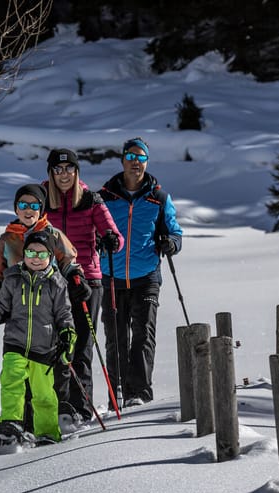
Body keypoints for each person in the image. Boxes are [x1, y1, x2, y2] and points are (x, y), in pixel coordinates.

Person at [0, 230, 76, 445]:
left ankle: (47, 432)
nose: (36, 258)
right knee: (11, 383)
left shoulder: (57, 283)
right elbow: (1, 310)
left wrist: (67, 335)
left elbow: (64, 314)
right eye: (31, 252)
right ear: (24, 253)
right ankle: (11, 425)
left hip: (44, 348)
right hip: (15, 343)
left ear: (51, 256)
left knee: (43, 394)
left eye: (42, 254)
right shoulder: (13, 277)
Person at [97, 137, 184, 408]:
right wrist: (100, 241)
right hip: (111, 276)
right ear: (122, 160)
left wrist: (170, 243)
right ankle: (117, 396)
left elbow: (175, 233)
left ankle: (140, 394)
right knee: (116, 339)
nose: (136, 162)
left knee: (144, 336)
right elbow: (93, 231)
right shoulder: (105, 196)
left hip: (146, 277)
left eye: (141, 157)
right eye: (131, 157)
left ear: (147, 162)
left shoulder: (158, 199)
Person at [41, 148, 122, 424]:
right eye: (58, 170)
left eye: (69, 169)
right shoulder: (41, 198)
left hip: (86, 281)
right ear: (51, 173)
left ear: (77, 172)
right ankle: (56, 405)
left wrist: (110, 238)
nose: (64, 175)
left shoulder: (90, 199)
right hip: (51, 280)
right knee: (54, 345)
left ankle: (81, 407)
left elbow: (114, 235)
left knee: (82, 346)